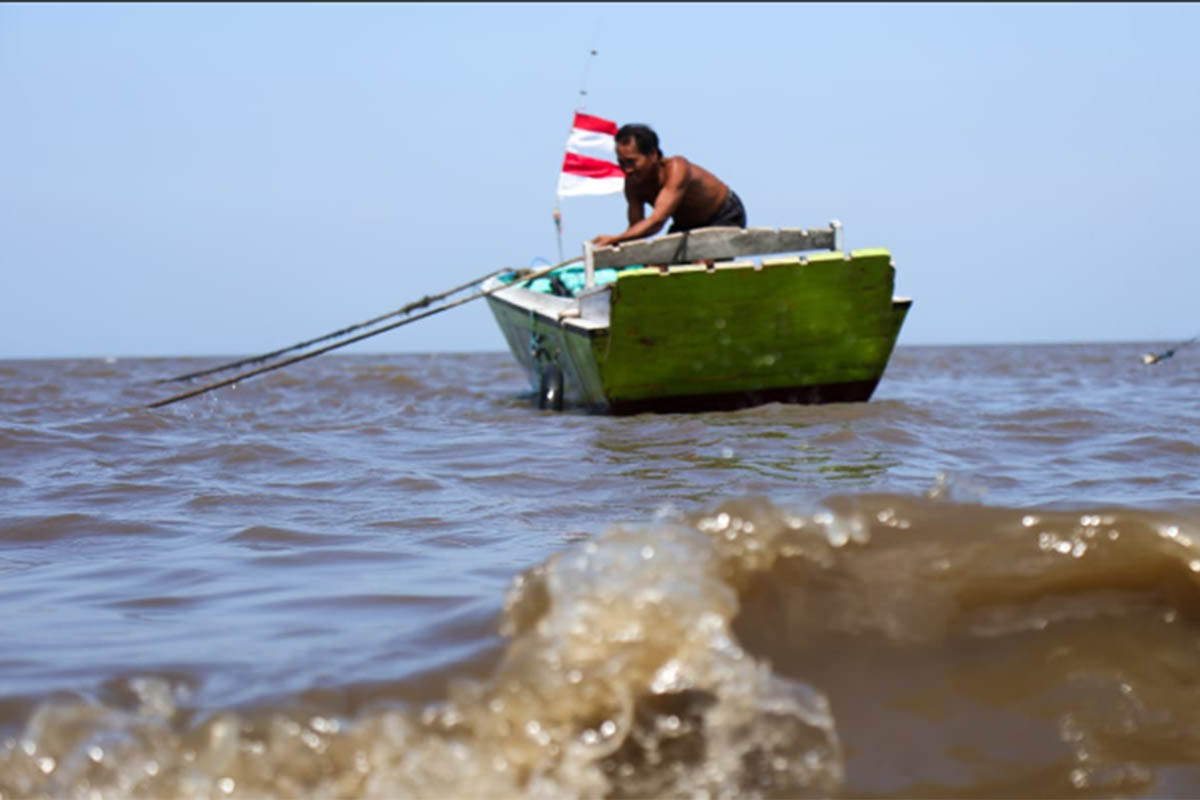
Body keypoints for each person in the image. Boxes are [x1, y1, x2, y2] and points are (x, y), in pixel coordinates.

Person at [591, 124, 746, 248]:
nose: (627, 169)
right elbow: (636, 231)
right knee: (658, 264)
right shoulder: (632, 185)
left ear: (653, 154)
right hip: (685, 225)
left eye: (632, 162)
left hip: (724, 215)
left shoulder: (677, 169)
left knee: (701, 263)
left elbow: (657, 221)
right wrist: (614, 245)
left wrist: (615, 239)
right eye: (621, 163)